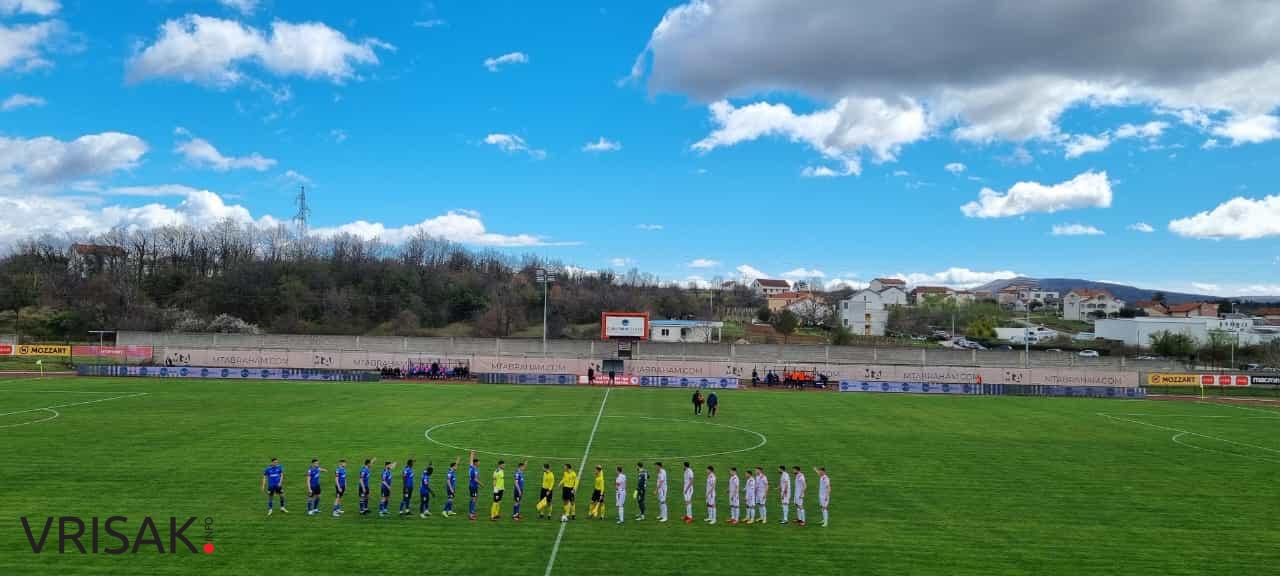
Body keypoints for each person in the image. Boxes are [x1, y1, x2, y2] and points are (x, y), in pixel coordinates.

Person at [468, 453, 482, 520]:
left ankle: (472, 512)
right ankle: (471, 514)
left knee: (474, 499)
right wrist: (481, 484)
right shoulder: (475, 470)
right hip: (473, 486)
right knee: (473, 499)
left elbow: (471, 461)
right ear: (475, 463)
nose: (479, 463)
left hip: (472, 485)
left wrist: (472, 454)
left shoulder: (471, 467)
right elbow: (476, 479)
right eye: (478, 462)